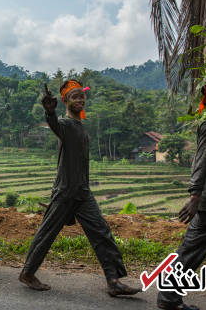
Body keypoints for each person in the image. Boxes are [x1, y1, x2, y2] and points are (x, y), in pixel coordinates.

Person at [18, 80, 139, 297]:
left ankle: (113, 281)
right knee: (47, 234)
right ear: (65, 101)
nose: (80, 100)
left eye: (81, 96)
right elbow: (54, 124)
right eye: (74, 97)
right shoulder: (64, 124)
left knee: (101, 232)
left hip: (82, 192)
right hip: (65, 191)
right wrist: (49, 112)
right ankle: (27, 273)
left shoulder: (80, 126)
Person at [157, 70, 206, 310]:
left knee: (190, 250)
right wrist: (195, 195)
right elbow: (202, 160)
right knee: (191, 250)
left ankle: (168, 299)